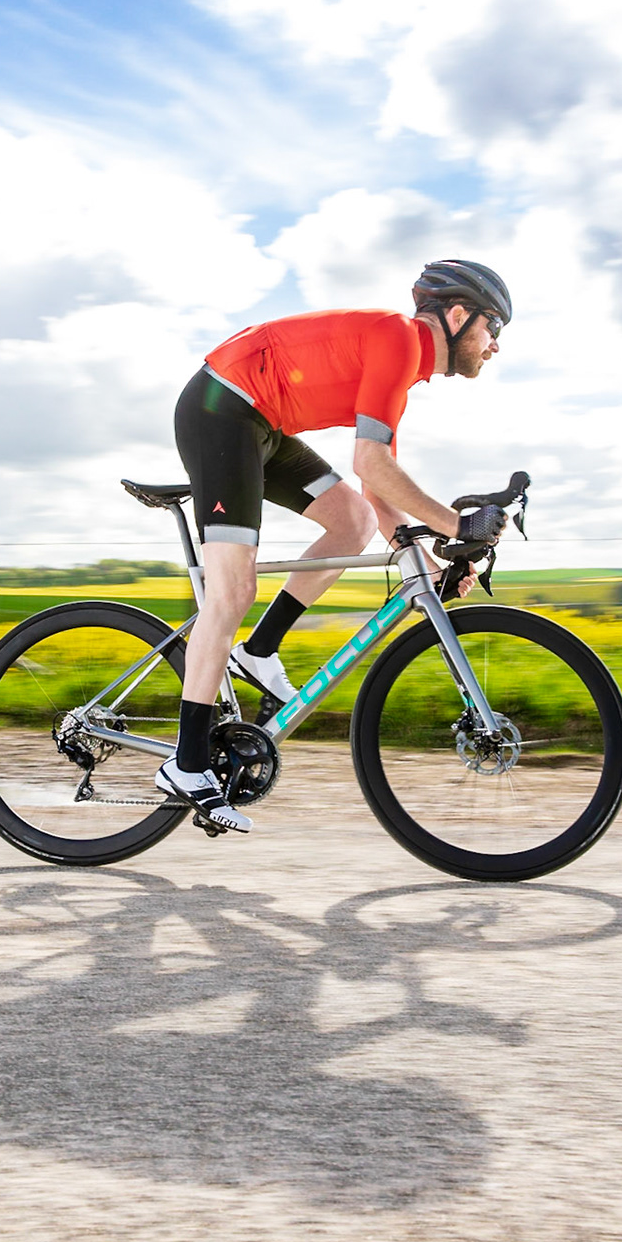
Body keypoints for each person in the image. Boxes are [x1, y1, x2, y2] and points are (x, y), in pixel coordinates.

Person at [154, 259, 514, 833]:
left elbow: (375, 483)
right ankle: (188, 764)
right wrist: (453, 525)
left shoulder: (406, 362)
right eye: (493, 327)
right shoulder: (399, 339)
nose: (494, 345)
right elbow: (370, 462)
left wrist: (421, 553)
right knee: (231, 591)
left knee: (352, 520)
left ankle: (258, 652)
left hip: (263, 425)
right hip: (221, 409)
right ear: (455, 315)